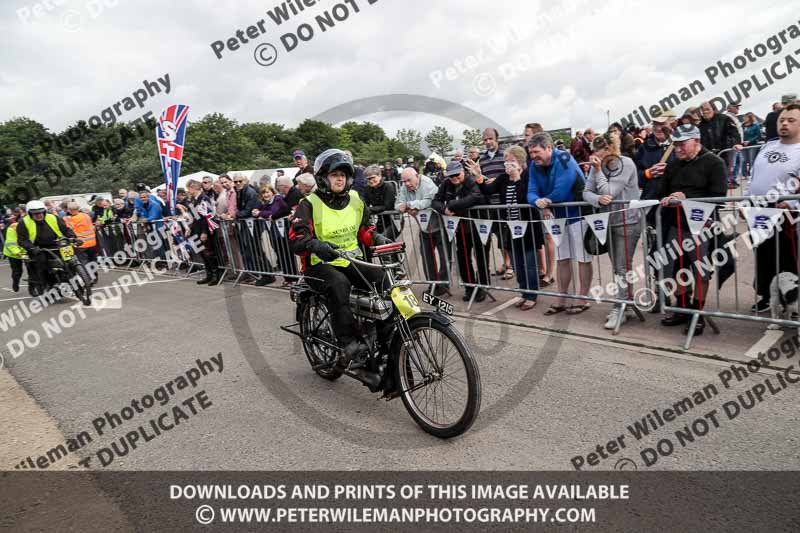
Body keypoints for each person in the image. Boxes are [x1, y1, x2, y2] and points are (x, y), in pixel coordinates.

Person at [289, 149, 393, 369]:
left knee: (385, 280)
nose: (339, 178)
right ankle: (349, 343)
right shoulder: (309, 204)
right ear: (323, 178)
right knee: (338, 284)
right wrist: (315, 245)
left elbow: (364, 230)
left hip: (348, 260)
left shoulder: (356, 200)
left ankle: (385, 343)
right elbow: (296, 239)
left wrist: (377, 237)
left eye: (343, 175)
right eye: (334, 174)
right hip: (319, 265)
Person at [657, 125, 727, 335]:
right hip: (675, 225)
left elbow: (719, 197)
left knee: (700, 272)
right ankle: (682, 309)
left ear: (696, 140)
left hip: (702, 227)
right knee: (678, 269)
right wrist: (667, 198)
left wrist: (688, 200)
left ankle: (697, 313)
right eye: (675, 145)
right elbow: (662, 191)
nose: (678, 149)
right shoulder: (673, 165)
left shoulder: (715, 163)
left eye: (682, 144)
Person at [527, 132, 592, 315]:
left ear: (549, 148)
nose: (533, 156)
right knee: (562, 259)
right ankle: (561, 298)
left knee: (582, 259)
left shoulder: (564, 157)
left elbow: (561, 190)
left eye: (536, 152)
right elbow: (530, 191)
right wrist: (537, 201)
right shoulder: (534, 165)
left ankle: (583, 298)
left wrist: (544, 200)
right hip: (558, 217)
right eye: (531, 153)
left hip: (578, 214)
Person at [744, 103, 800, 313]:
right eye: (781, 120)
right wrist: (745, 200)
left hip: (786, 213)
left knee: (787, 258)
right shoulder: (768, 146)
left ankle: (792, 300)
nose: (784, 123)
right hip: (758, 210)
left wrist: (792, 203)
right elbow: (754, 176)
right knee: (764, 255)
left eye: (791, 120)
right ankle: (767, 295)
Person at [583, 133, 642, 328]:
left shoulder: (626, 164)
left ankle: (620, 308)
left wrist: (598, 171)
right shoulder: (596, 167)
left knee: (621, 267)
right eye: (594, 150)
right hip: (608, 222)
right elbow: (586, 192)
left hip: (628, 222)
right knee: (619, 267)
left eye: (599, 150)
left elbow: (609, 191)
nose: (595, 154)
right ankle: (628, 305)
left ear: (610, 149)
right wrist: (596, 200)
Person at [478, 145, 543, 310]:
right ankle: (523, 292)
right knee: (517, 263)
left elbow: (524, 198)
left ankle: (532, 295)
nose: (507, 164)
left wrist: (517, 178)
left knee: (529, 264)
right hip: (510, 229)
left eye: (511, 161)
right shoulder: (502, 178)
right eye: (506, 161)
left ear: (520, 163)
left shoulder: (528, 177)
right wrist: (478, 176)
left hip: (528, 228)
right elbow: (487, 190)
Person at [432, 161, 488, 302]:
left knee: (481, 258)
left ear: (463, 172)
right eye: (451, 176)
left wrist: (452, 205)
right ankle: (470, 287)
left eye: (457, 174)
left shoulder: (471, 180)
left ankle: (482, 288)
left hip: (479, 225)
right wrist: (444, 209)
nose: (454, 178)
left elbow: (475, 196)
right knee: (462, 258)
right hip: (460, 228)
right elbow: (435, 201)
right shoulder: (446, 184)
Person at [396, 167, 449, 296]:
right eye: (404, 181)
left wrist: (410, 205)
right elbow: (398, 204)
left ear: (417, 176)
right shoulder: (404, 187)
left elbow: (430, 201)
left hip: (440, 226)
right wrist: (408, 207)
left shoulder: (427, 183)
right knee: (426, 257)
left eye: (409, 180)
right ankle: (433, 284)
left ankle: (443, 285)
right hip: (424, 229)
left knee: (444, 257)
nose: (407, 184)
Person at [16, 200, 76, 296]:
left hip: (56, 244)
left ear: (44, 211)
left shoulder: (53, 217)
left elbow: (65, 229)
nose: (39, 215)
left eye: (40, 212)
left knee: (71, 259)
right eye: (35, 213)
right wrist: (32, 248)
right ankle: (46, 285)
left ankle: (74, 276)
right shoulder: (23, 223)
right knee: (42, 263)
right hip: (37, 248)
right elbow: (22, 240)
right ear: (29, 213)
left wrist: (72, 238)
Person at [233, 174, 274, 286]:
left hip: (253, 226)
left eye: (239, 181)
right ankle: (265, 274)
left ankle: (268, 275)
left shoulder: (250, 192)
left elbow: (248, 210)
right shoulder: (241, 191)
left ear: (245, 181)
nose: (237, 183)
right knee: (254, 251)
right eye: (235, 181)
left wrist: (234, 215)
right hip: (248, 225)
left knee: (256, 251)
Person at [252, 184, 296, 284]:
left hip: (283, 232)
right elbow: (257, 211)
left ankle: (293, 278)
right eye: (263, 193)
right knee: (280, 255)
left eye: (267, 192)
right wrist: (256, 212)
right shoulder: (264, 203)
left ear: (272, 192)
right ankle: (288, 278)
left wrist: (260, 213)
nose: (266, 195)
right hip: (274, 234)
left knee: (287, 255)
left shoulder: (278, 199)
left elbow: (273, 212)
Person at [184, 179, 221, 286]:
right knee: (202, 253)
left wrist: (204, 232)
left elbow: (207, 217)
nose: (188, 191)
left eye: (189, 189)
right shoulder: (195, 200)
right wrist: (189, 228)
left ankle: (215, 275)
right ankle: (208, 274)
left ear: (193, 188)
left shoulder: (204, 199)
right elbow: (193, 217)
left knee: (208, 253)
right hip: (196, 229)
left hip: (204, 229)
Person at [64, 201, 99, 283]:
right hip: (92, 242)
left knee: (84, 262)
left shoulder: (68, 219)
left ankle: (88, 279)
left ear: (69, 210)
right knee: (92, 260)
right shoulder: (86, 216)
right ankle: (94, 276)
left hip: (80, 244)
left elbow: (67, 230)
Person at [363, 165, 398, 240]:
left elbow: (387, 206)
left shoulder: (388, 186)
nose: (371, 180)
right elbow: (365, 204)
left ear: (379, 176)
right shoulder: (368, 189)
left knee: (384, 241)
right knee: (374, 242)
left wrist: (370, 209)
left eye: (373, 177)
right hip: (381, 221)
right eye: (368, 179)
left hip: (394, 221)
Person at [2, 214, 26, 292]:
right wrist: (18, 253)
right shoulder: (12, 228)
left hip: (26, 252)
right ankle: (15, 282)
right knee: (17, 271)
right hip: (13, 253)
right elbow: (11, 244)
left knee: (33, 267)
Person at [741, 112, 763, 178]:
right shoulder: (742, 126)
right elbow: (740, 134)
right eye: (743, 117)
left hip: (752, 145)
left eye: (745, 117)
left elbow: (758, 135)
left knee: (751, 160)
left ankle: (750, 173)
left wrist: (749, 141)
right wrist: (742, 141)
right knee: (744, 160)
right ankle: (744, 174)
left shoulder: (756, 125)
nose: (744, 118)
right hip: (743, 145)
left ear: (749, 118)